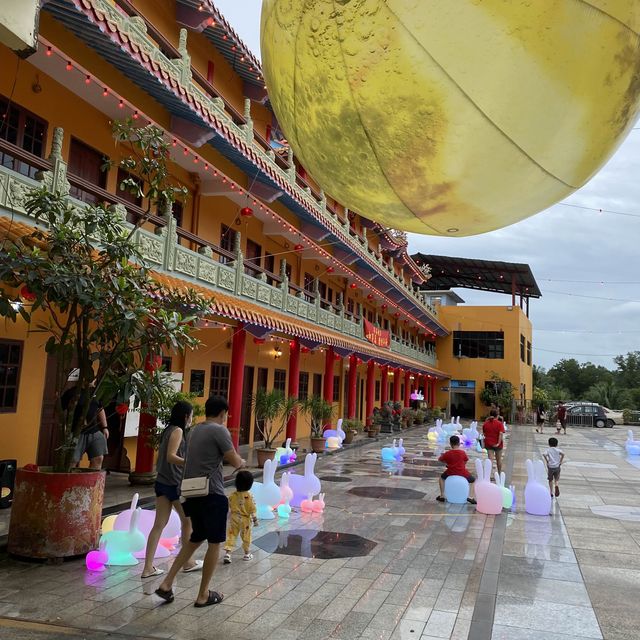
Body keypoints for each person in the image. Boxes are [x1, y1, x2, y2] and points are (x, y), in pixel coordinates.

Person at [155, 396, 246, 608]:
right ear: (223, 413)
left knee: (196, 538)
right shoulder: (220, 430)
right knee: (215, 543)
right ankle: (203, 594)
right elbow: (233, 459)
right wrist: (240, 462)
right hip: (211, 494)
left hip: (190, 493)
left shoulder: (194, 430)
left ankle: (167, 583)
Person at [141, 400, 203, 579]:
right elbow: (170, 456)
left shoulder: (168, 430)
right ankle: (188, 562)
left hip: (162, 482)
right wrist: (189, 462)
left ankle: (148, 568)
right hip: (175, 484)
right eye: (191, 415)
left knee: (159, 525)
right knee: (187, 522)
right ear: (186, 416)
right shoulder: (177, 431)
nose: (191, 419)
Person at [61, 384, 108, 470]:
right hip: (75, 431)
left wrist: (105, 427)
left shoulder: (96, 391)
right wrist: (64, 427)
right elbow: (60, 410)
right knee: (72, 460)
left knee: (98, 458)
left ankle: (92, 482)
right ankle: (70, 482)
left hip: (94, 430)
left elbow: (100, 408)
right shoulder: (72, 392)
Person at [222, 470, 258, 564]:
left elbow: (229, 507)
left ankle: (228, 553)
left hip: (234, 518)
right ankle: (247, 553)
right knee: (246, 536)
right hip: (245, 520)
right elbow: (252, 509)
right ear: (250, 484)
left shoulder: (232, 495)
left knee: (232, 535)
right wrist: (255, 520)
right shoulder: (249, 496)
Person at [436, 435, 476, 504]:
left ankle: (442, 495)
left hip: (450, 472)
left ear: (450, 444)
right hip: (462, 472)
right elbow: (466, 460)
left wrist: (447, 463)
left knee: (441, 479)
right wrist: (462, 464)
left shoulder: (447, 453)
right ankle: (470, 497)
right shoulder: (462, 453)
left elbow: (440, 459)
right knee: (473, 481)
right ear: (459, 443)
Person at [482, 410, 505, 475]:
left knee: (490, 460)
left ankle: (488, 475)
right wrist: (498, 443)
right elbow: (500, 434)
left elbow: (484, 433)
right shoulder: (499, 424)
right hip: (498, 445)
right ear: (497, 416)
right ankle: (499, 474)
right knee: (499, 460)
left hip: (489, 444)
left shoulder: (486, 423)